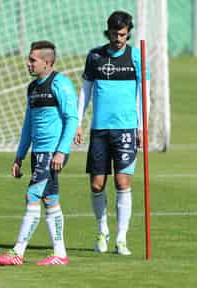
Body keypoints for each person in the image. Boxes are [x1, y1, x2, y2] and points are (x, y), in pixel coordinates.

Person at [0, 41, 78, 266]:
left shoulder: (61, 84)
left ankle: (17, 252)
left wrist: (61, 152)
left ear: (47, 62)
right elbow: (28, 125)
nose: (28, 64)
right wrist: (19, 156)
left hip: (52, 152)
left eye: (33, 60)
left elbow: (72, 119)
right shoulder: (32, 88)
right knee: (50, 199)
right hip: (38, 153)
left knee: (32, 195)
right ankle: (59, 254)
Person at [74, 11, 150, 255]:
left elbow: (143, 94)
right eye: (115, 34)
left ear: (128, 34)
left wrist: (142, 126)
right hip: (99, 130)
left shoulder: (136, 57)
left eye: (123, 35)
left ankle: (121, 237)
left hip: (126, 128)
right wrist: (78, 122)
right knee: (97, 185)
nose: (118, 38)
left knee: (122, 181)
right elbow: (86, 90)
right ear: (107, 31)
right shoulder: (94, 56)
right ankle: (102, 229)